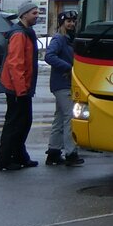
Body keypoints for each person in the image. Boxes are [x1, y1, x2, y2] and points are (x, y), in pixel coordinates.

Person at [0, 1, 40, 171]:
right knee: (15, 124)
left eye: (37, 12)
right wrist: (21, 90)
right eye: (34, 13)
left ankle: (19, 156)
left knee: (23, 122)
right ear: (24, 15)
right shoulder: (19, 35)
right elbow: (16, 64)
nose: (37, 16)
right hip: (17, 89)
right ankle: (3, 161)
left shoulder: (25, 32)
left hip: (21, 88)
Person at [44, 10, 84, 166]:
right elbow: (49, 56)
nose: (71, 24)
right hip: (63, 85)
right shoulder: (59, 39)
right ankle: (71, 153)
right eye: (68, 21)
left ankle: (53, 152)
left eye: (73, 21)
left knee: (60, 118)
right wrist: (68, 68)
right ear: (61, 23)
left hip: (63, 84)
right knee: (70, 118)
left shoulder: (68, 40)